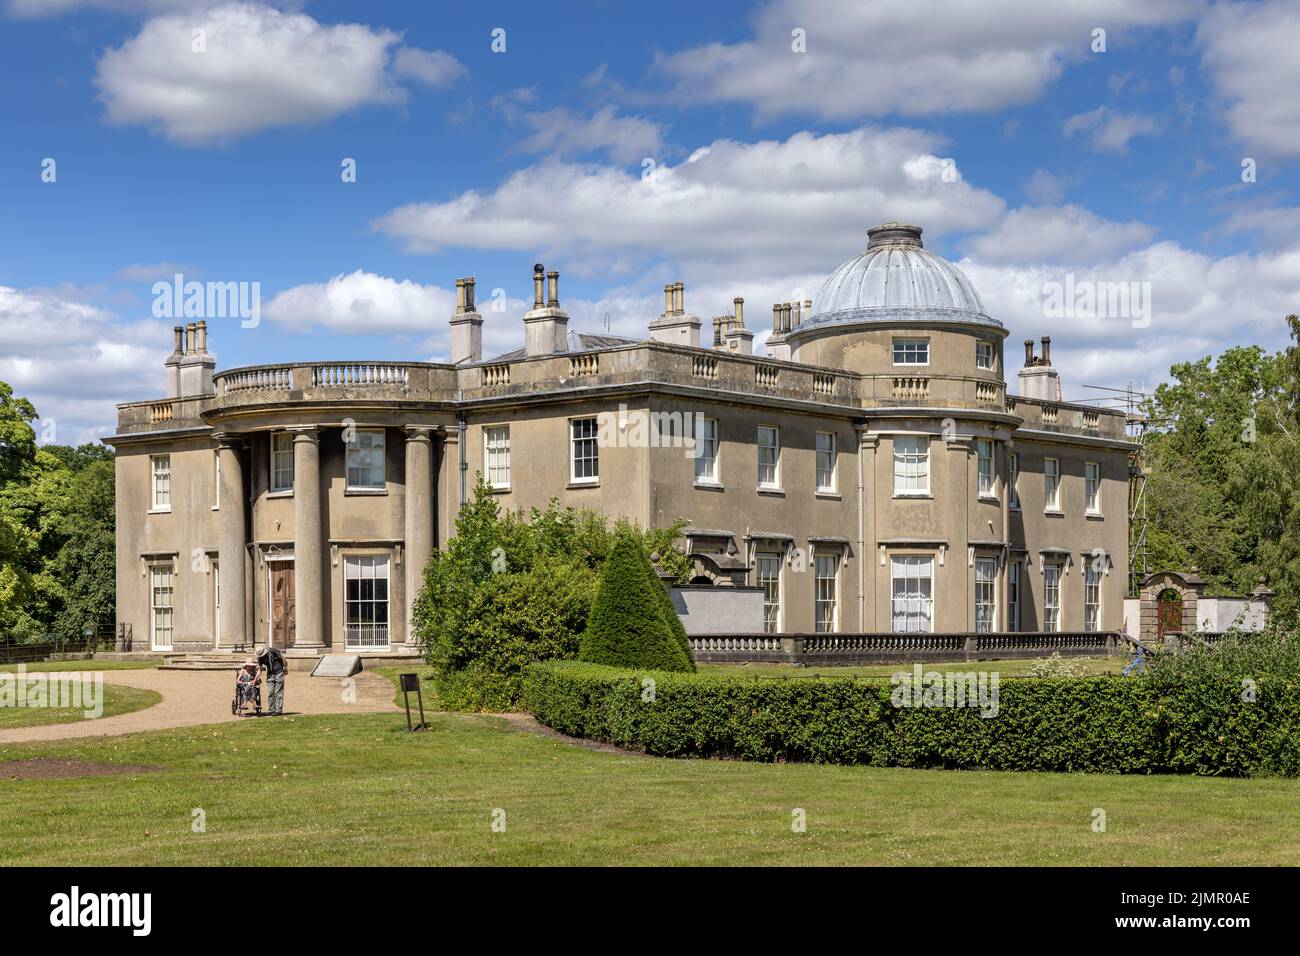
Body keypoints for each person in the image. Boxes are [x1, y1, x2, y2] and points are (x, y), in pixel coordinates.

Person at [256, 643, 287, 716]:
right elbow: (260, 669)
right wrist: (255, 678)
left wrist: (285, 667)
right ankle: (271, 710)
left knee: (278, 691)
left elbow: (283, 657)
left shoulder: (273, 651)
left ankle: (278, 710)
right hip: (270, 674)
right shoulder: (260, 658)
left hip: (279, 672)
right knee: (270, 692)